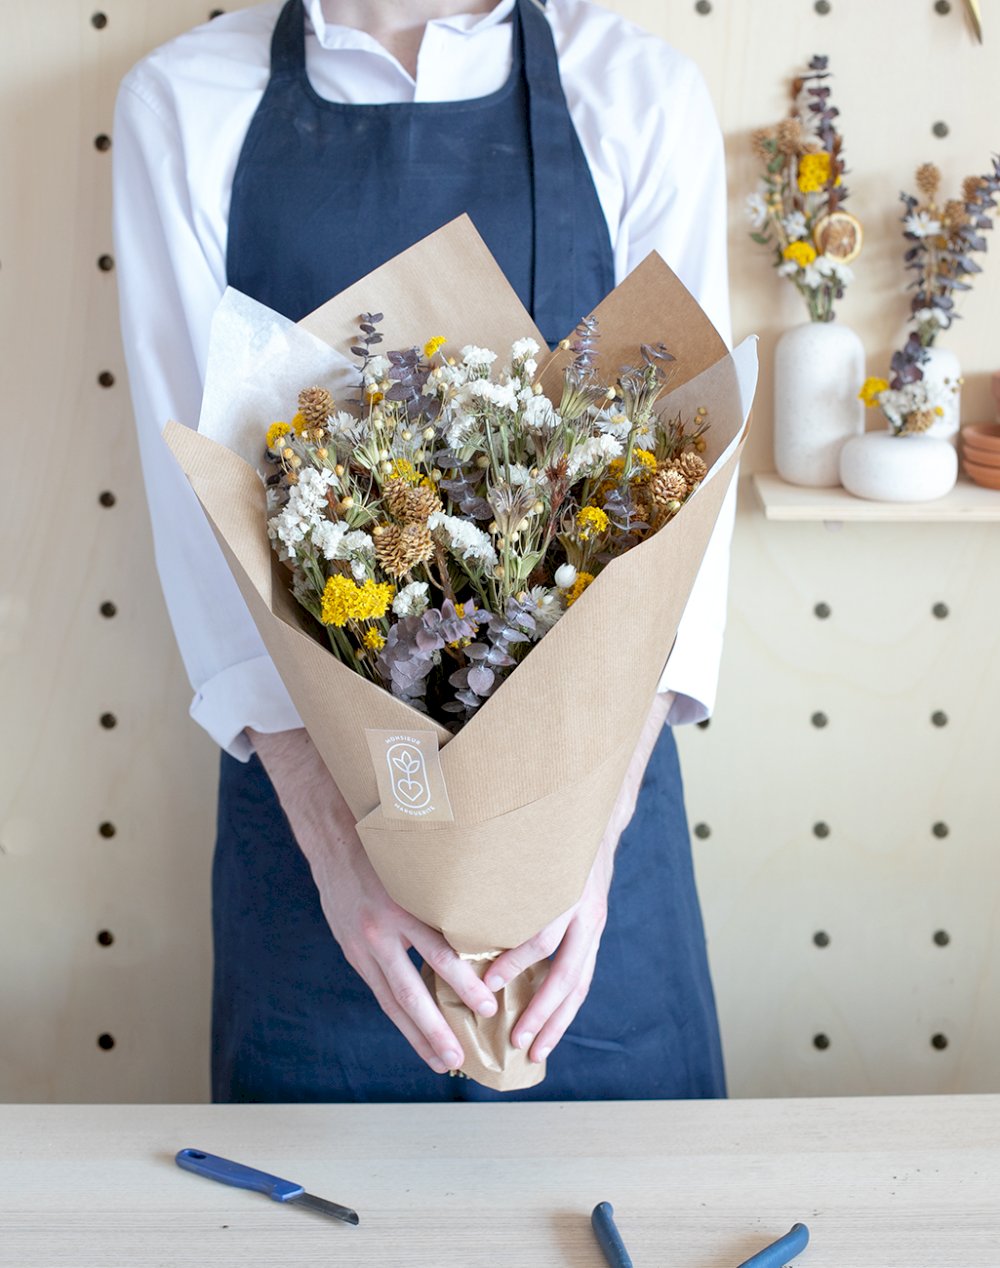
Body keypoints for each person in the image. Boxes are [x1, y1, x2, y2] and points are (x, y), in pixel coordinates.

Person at [113, 0, 735, 1103]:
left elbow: (691, 492)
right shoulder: (186, 103)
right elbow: (192, 488)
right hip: (318, 851)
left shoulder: (633, 93)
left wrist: (581, 842)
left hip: (593, 842)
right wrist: (332, 829)